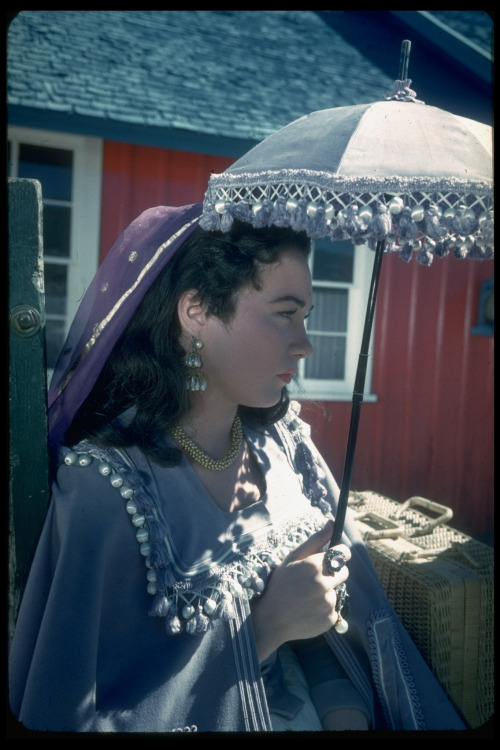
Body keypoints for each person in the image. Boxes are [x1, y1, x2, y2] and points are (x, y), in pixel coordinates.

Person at [9, 203, 465, 733]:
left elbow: (330, 624)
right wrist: (263, 629)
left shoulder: (288, 446)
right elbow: (77, 712)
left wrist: (344, 705)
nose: (305, 344)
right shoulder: (108, 491)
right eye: (283, 313)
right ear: (196, 311)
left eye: (306, 318)